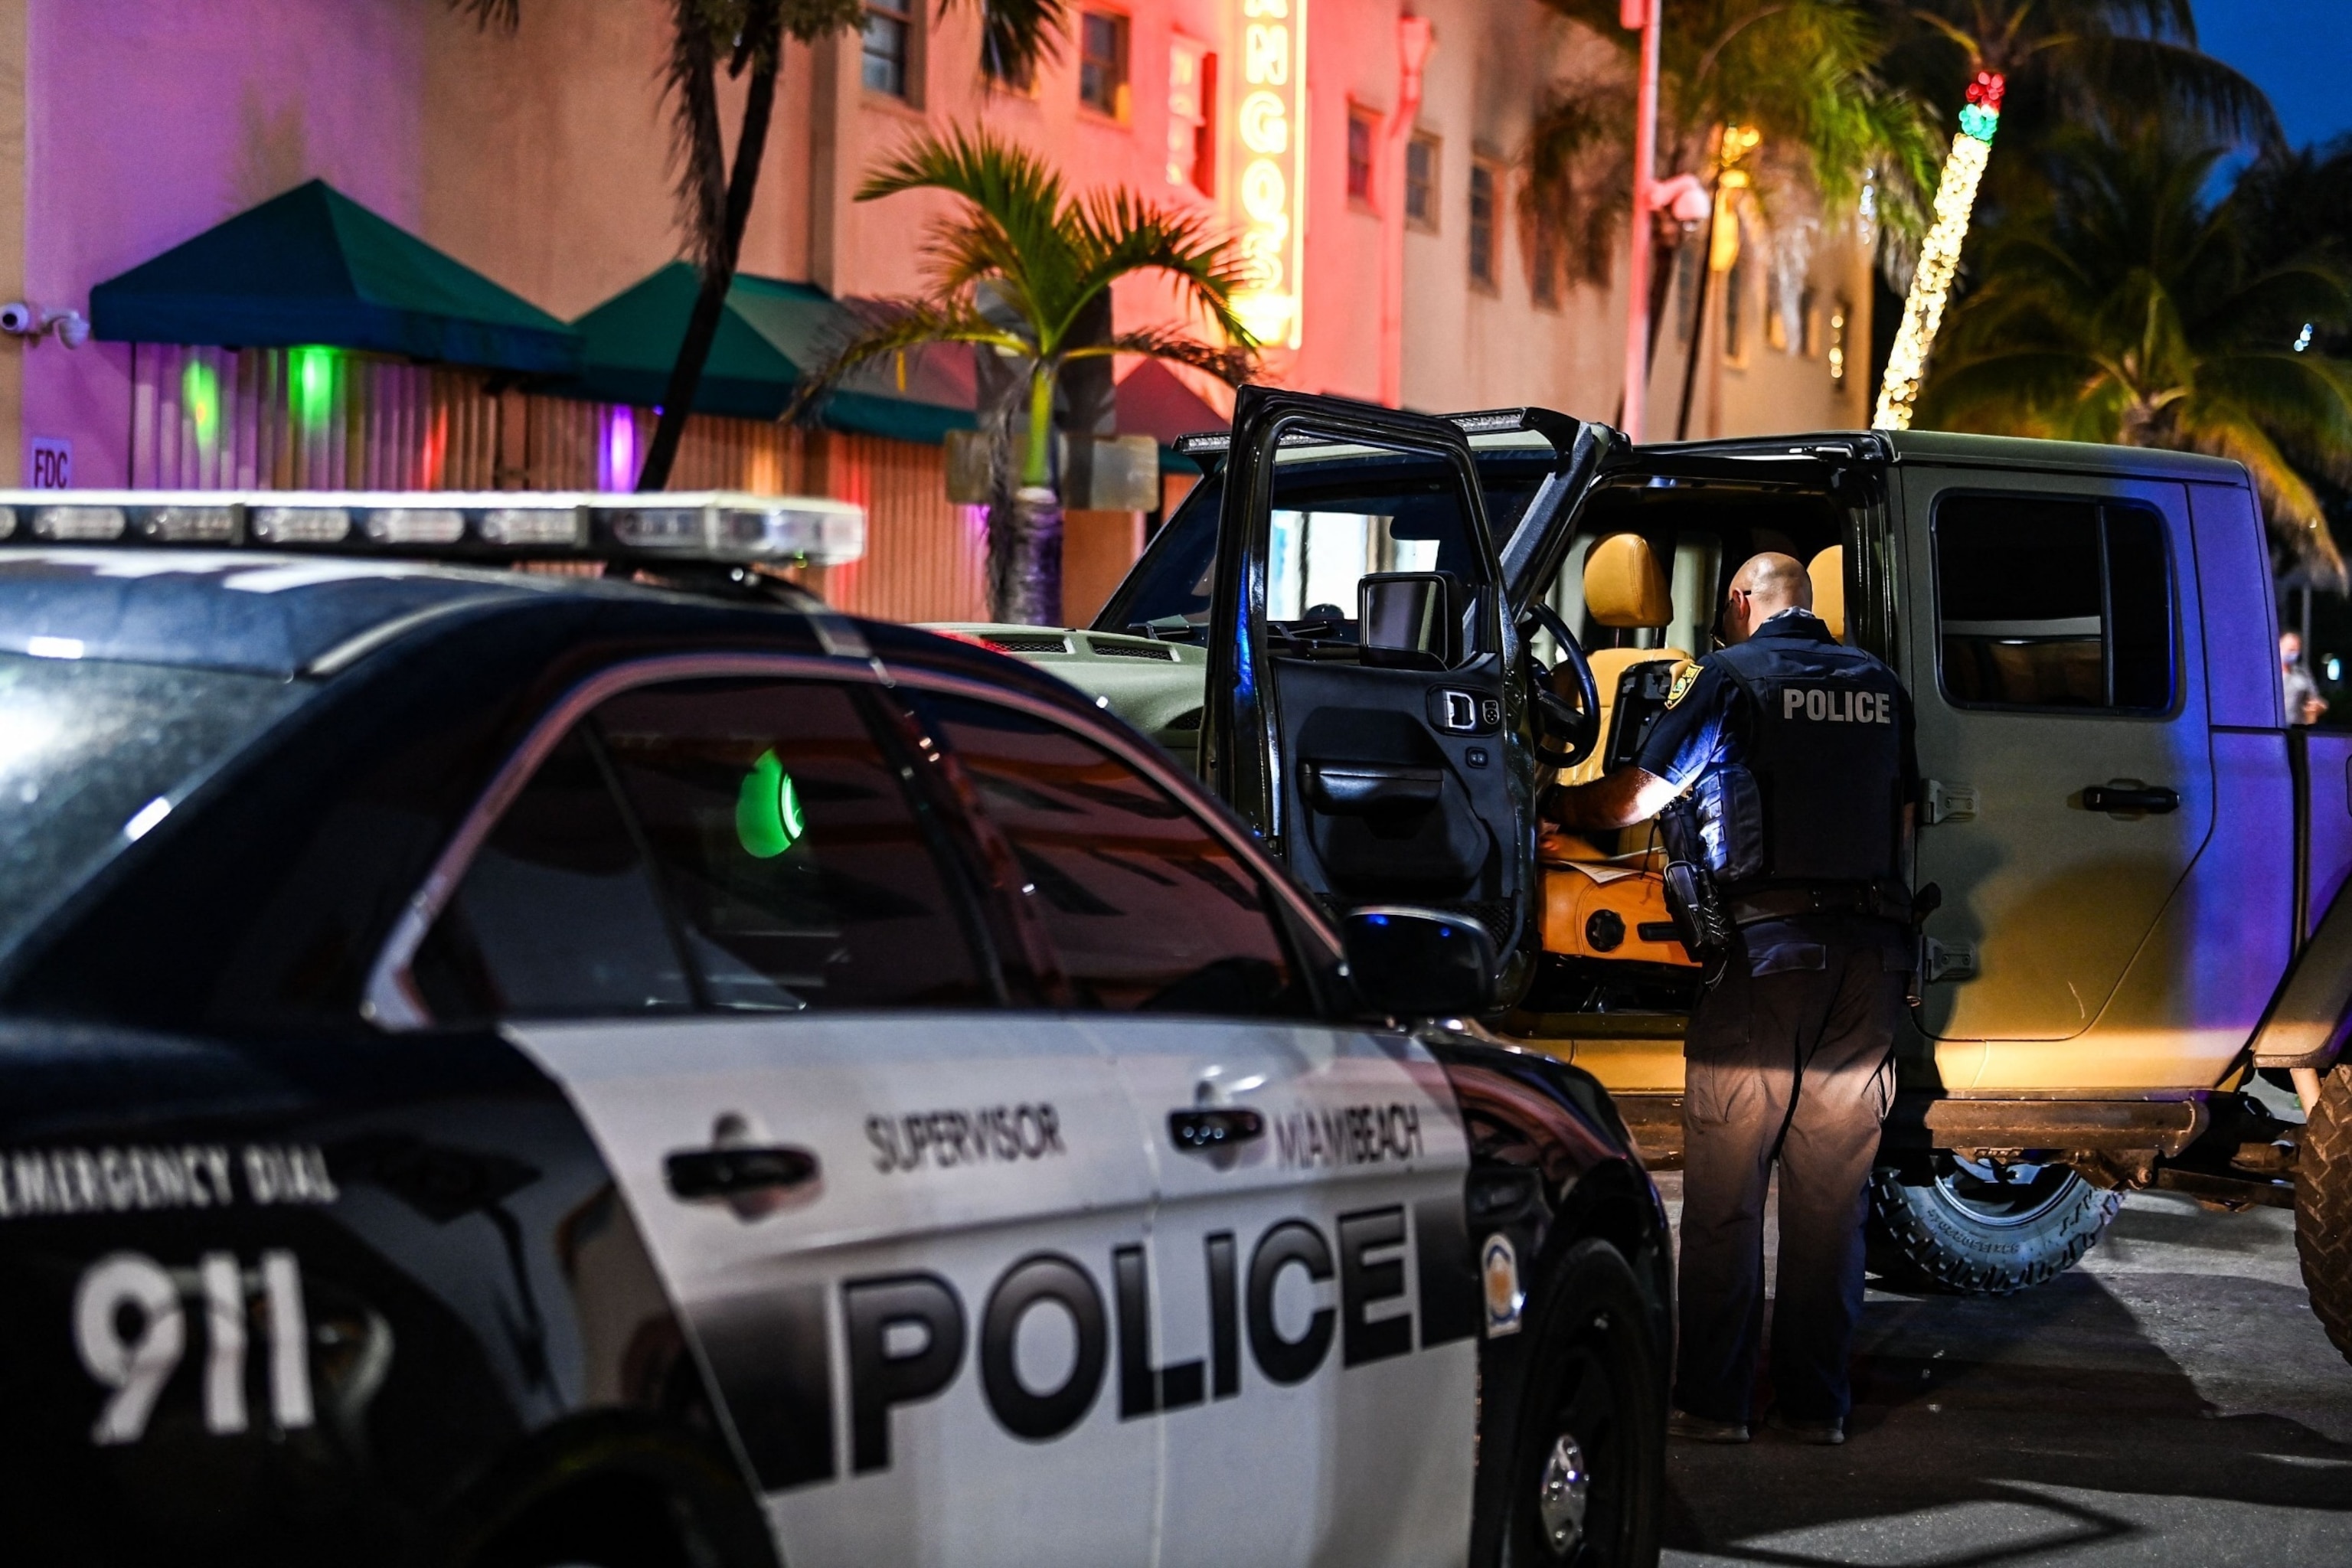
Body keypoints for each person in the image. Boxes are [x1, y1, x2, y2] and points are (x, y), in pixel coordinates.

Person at [1546, 550, 1917, 1446]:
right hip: (1870, 964)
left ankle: (1714, 1404)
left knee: (1727, 1190)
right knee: (1832, 1202)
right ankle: (1816, 1405)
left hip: (1765, 959)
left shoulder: (1730, 676)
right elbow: (1907, 820)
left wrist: (1548, 807)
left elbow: (1643, 794)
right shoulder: (1881, 685)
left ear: (1746, 603)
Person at [2282, 630, 2328, 727]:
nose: (2292, 654)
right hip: (2272, 726)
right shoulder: (2267, 672)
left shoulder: (2302, 673)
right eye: (2289, 650)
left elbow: (2315, 699)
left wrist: (2317, 707)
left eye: (2295, 650)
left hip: (2296, 727)